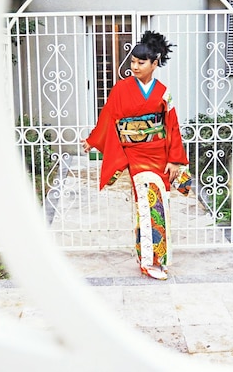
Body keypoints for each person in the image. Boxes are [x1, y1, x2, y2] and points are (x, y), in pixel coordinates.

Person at [81, 30, 189, 280]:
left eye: (141, 62)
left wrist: (174, 160)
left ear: (155, 62)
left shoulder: (163, 92)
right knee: (147, 201)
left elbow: (171, 125)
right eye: (133, 61)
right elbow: (109, 116)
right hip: (136, 155)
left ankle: (156, 257)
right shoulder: (121, 89)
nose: (135, 66)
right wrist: (92, 139)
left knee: (159, 205)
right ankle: (149, 261)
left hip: (160, 153)